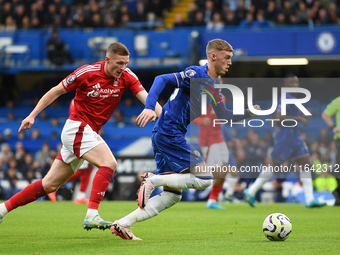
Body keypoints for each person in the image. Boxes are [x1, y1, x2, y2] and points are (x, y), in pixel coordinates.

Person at [0, 42, 162, 230]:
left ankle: (3, 209)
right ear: (107, 59)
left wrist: (159, 113)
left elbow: (148, 99)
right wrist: (32, 115)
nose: (123, 68)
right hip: (77, 127)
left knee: (49, 185)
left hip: (86, 132)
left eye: (126, 63)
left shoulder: (127, 76)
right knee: (109, 163)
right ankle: (92, 214)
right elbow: (56, 91)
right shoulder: (87, 72)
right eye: (119, 63)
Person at [110, 39, 260, 240]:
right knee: (205, 178)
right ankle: (152, 180)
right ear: (213, 56)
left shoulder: (212, 85)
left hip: (165, 134)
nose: (230, 62)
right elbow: (161, 79)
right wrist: (149, 106)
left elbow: (224, 114)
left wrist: (248, 113)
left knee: (173, 196)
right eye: (227, 57)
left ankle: (123, 224)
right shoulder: (197, 74)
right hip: (169, 132)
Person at [243, 74, 327, 208]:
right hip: (284, 138)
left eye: (297, 82)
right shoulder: (284, 98)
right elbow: (280, 117)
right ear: (285, 86)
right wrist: (300, 119)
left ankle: (310, 199)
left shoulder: (292, 99)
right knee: (274, 167)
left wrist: (301, 115)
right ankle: (251, 191)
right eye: (292, 83)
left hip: (295, 138)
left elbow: (289, 116)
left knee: (306, 164)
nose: (295, 85)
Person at [191, 94, 239, 210]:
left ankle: (214, 199)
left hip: (219, 137)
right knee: (215, 171)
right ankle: (192, 185)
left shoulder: (222, 97)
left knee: (225, 168)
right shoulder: (202, 97)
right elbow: (190, 115)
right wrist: (202, 120)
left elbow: (223, 116)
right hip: (207, 139)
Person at [321, 96, 340, 205]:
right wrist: (333, 127)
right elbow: (325, 114)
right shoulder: (338, 101)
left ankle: (337, 193)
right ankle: (337, 193)